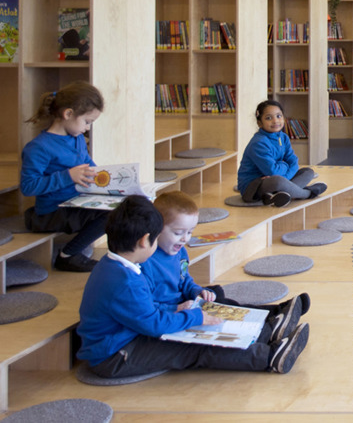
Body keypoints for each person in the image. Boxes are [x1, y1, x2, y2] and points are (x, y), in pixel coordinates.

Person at [76, 196, 309, 379]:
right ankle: (269, 357)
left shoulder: (116, 267)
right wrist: (193, 316)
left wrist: (187, 312)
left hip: (128, 337)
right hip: (115, 356)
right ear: (143, 241)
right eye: (156, 239)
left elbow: (149, 315)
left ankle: (264, 331)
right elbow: (154, 324)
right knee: (195, 348)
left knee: (209, 310)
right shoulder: (125, 280)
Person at [146, 191, 310, 321]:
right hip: (172, 314)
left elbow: (185, 281)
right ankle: (275, 317)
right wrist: (176, 309)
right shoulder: (146, 261)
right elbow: (145, 307)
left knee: (221, 302)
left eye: (189, 232)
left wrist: (197, 291)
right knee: (223, 308)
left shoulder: (179, 250)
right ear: (157, 227)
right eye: (178, 233)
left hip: (188, 304)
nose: (185, 239)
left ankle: (277, 311)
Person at [20, 81, 108, 272]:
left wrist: (108, 181)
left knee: (128, 205)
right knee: (111, 215)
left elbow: (88, 166)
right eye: (87, 122)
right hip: (51, 212)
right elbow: (28, 186)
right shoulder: (39, 147)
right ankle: (68, 255)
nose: (87, 128)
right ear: (68, 114)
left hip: (76, 202)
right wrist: (68, 176)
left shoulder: (76, 139)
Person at [237, 100, 328, 206]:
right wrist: (285, 166)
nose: (275, 121)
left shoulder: (283, 137)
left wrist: (284, 175)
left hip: (276, 179)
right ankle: (307, 193)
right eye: (268, 118)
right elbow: (273, 171)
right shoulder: (259, 143)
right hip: (253, 186)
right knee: (278, 181)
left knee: (308, 172)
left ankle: (279, 195)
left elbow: (293, 161)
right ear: (259, 123)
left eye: (279, 116)